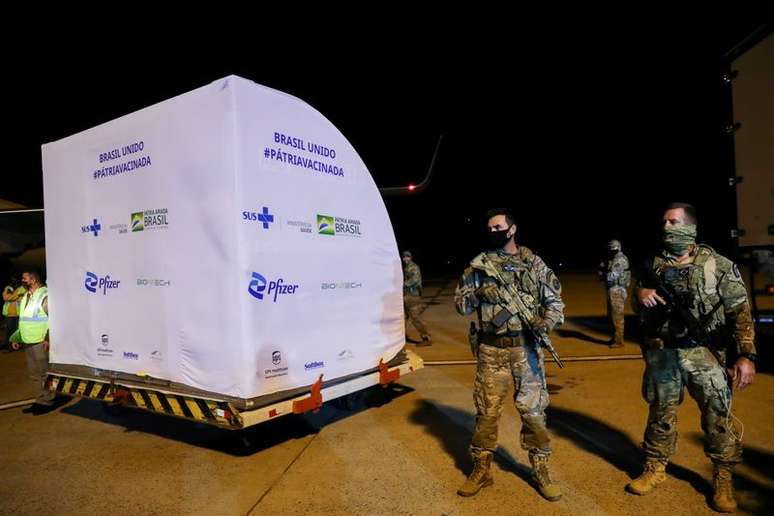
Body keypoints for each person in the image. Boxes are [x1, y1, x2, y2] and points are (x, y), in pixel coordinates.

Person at [627, 203, 756, 513]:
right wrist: (640, 295)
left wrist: (746, 355)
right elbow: (638, 299)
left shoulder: (718, 266)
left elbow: (740, 313)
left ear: (691, 227)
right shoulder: (652, 264)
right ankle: (655, 467)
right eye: (664, 222)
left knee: (716, 415)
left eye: (674, 222)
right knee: (661, 412)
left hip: (703, 351)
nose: (667, 227)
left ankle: (723, 476)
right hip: (663, 352)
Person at [454, 208, 565, 500]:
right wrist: (478, 294)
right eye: (489, 227)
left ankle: (540, 467)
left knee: (533, 413)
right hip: (491, 351)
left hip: (525, 349)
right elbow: (461, 305)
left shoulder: (534, 264)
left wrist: (546, 322)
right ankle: (482, 468)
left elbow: (555, 303)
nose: (493, 231)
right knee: (486, 413)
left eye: (498, 227)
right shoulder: (479, 266)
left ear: (512, 229)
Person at [9, 270, 55, 410]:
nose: (22, 281)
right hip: (28, 341)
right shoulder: (26, 296)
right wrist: (16, 337)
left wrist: (48, 338)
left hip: (40, 341)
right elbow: (24, 320)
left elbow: (54, 318)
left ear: (33, 280)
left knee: (44, 373)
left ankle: (48, 401)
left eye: (25, 278)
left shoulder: (45, 295)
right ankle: (40, 399)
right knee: (34, 374)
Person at [598, 240, 630, 348]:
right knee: (612, 316)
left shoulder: (619, 259)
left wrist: (603, 273)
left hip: (617, 289)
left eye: (614, 250)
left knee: (617, 316)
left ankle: (619, 341)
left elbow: (611, 276)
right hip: (613, 289)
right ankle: (615, 337)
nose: (612, 252)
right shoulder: (613, 258)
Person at [402, 250, 431, 346]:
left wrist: (403, 285)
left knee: (415, 318)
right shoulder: (406, 267)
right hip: (406, 296)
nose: (405, 258)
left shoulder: (414, 267)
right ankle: (401, 337)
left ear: (410, 257)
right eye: (404, 257)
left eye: (407, 256)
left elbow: (415, 280)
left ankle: (426, 338)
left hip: (413, 296)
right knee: (403, 318)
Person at [2, 276, 26, 351]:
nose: (14, 282)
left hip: (19, 314)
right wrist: (18, 295)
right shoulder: (8, 288)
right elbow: (6, 297)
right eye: (13, 280)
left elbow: (22, 298)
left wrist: (12, 297)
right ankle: (6, 345)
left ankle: (16, 346)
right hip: (10, 314)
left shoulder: (23, 288)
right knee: (8, 330)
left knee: (17, 331)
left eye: (15, 280)